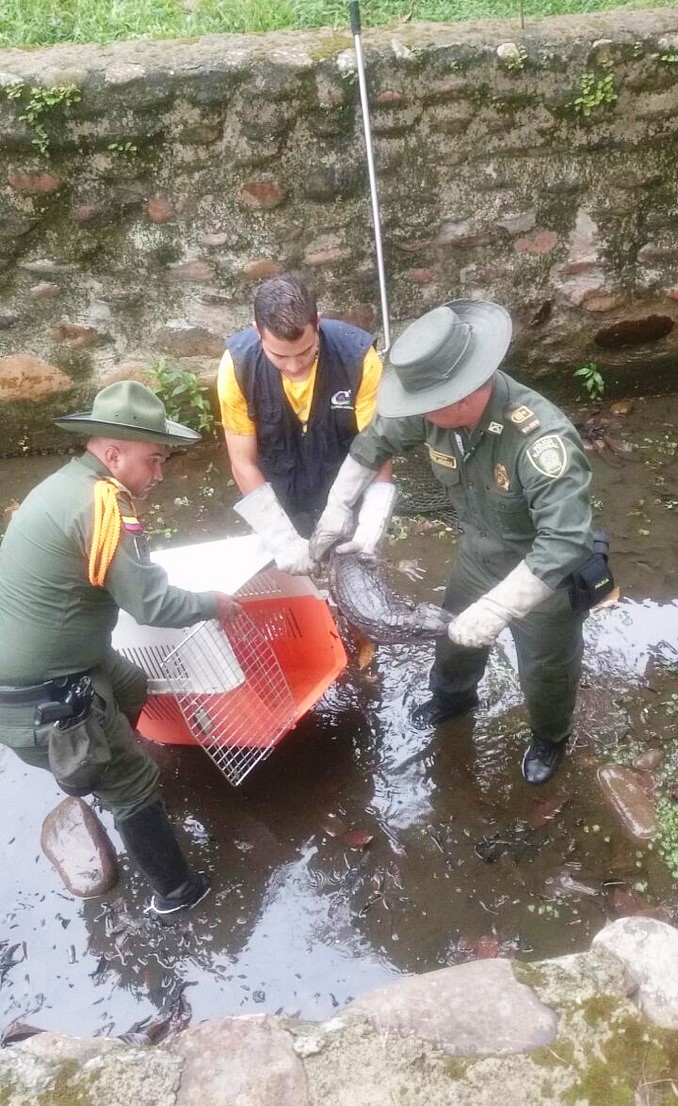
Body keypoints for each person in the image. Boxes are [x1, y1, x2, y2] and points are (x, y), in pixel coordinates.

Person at [310, 300, 612, 786]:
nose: (418, 415)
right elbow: (375, 442)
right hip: (478, 554)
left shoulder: (540, 440)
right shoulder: (433, 412)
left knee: (545, 671)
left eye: (427, 405)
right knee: (451, 641)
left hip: (542, 578)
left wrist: (497, 610)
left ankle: (550, 737)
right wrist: (338, 507)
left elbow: (564, 541)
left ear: (463, 394)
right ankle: (454, 698)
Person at [0, 381, 241, 917]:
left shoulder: (65, 486)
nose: (159, 474)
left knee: (131, 683)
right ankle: (177, 893)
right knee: (133, 783)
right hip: (44, 698)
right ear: (113, 454)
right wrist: (213, 603)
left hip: (44, 665)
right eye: (153, 460)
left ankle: (106, 771)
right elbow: (151, 604)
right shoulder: (105, 504)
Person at [217, 271, 394, 572]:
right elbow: (242, 462)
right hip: (278, 492)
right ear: (257, 332)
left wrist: (371, 521)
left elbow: (376, 446)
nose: (295, 365)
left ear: (318, 323)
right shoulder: (238, 367)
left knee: (355, 575)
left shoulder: (359, 358)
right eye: (279, 356)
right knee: (287, 575)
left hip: (344, 485)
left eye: (305, 351)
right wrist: (281, 537)